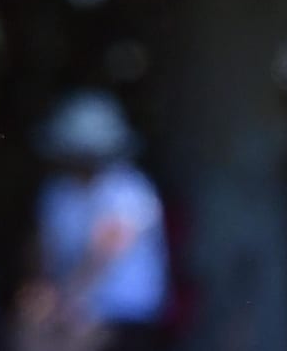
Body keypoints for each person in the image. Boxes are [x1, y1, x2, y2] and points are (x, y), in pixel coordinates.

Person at [13, 89, 170, 351]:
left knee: (69, 340)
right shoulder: (57, 191)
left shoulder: (129, 189)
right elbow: (43, 249)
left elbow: (103, 255)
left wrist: (65, 299)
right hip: (70, 302)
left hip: (124, 313)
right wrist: (42, 291)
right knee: (27, 328)